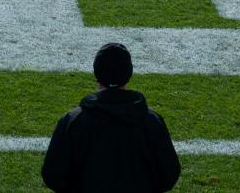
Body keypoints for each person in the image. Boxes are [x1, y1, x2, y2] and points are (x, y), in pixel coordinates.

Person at [40, 42, 180, 193]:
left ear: (97, 74)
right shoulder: (152, 121)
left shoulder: (73, 121)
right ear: (128, 74)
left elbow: (53, 175)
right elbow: (169, 175)